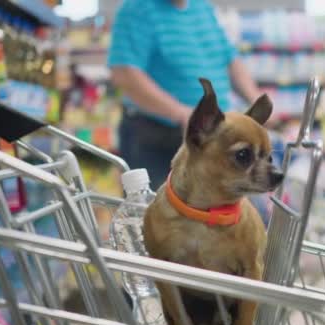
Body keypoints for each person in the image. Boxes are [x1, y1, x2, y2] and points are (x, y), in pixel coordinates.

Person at [108, 0, 271, 221]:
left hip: (215, 140)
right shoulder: (137, 9)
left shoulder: (201, 7)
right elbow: (125, 73)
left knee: (232, 222)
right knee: (161, 227)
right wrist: (180, 113)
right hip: (157, 140)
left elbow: (230, 59)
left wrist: (256, 100)